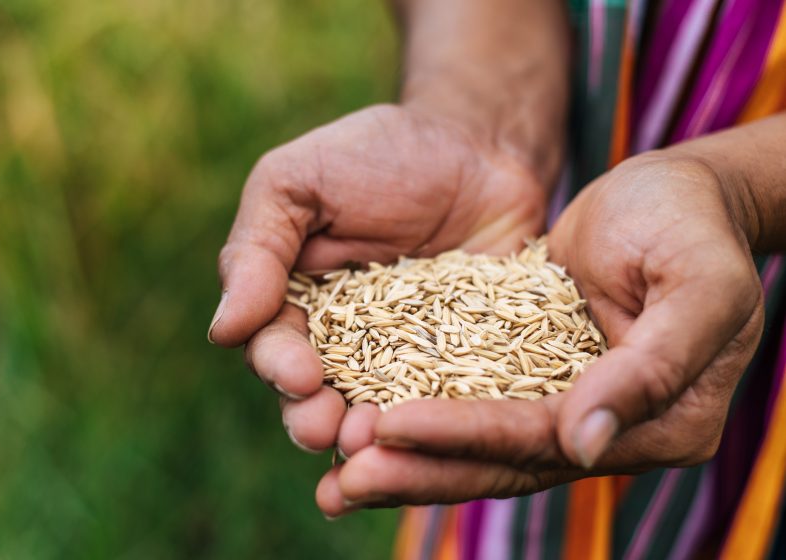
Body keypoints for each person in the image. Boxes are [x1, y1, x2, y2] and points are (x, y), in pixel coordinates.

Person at [208, 0, 786, 557]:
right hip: (558, 231)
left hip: (724, 287)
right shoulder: (522, 263)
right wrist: (479, 111)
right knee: (459, 443)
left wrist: (743, 192)